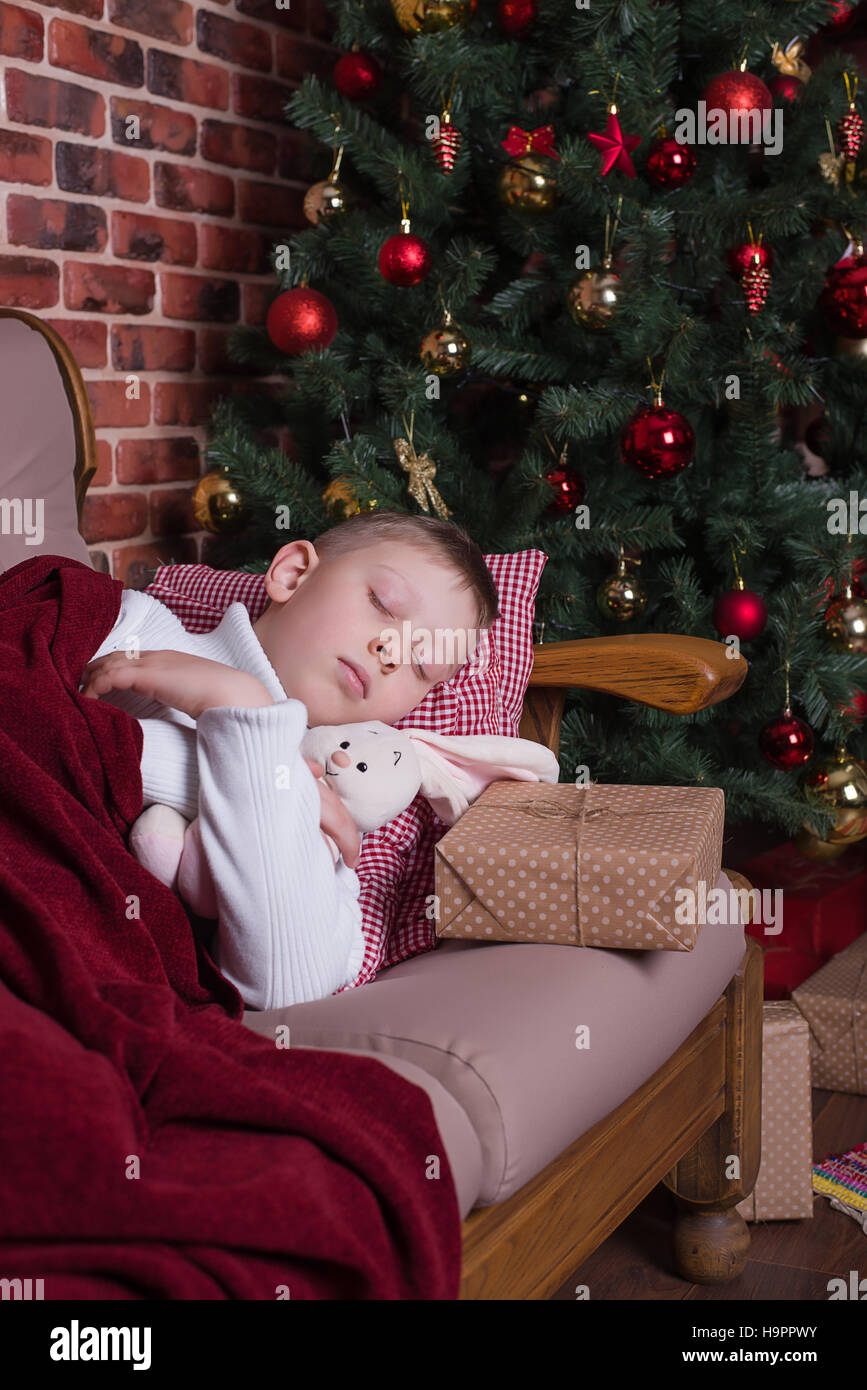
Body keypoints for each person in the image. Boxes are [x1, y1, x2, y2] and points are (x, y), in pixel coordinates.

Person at [79, 511, 501, 1013]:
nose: (390, 651)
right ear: (293, 574)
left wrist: (244, 714)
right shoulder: (138, 628)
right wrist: (276, 778)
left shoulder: (331, 828)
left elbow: (285, 986)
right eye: (382, 605)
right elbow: (45, 722)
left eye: (420, 664)